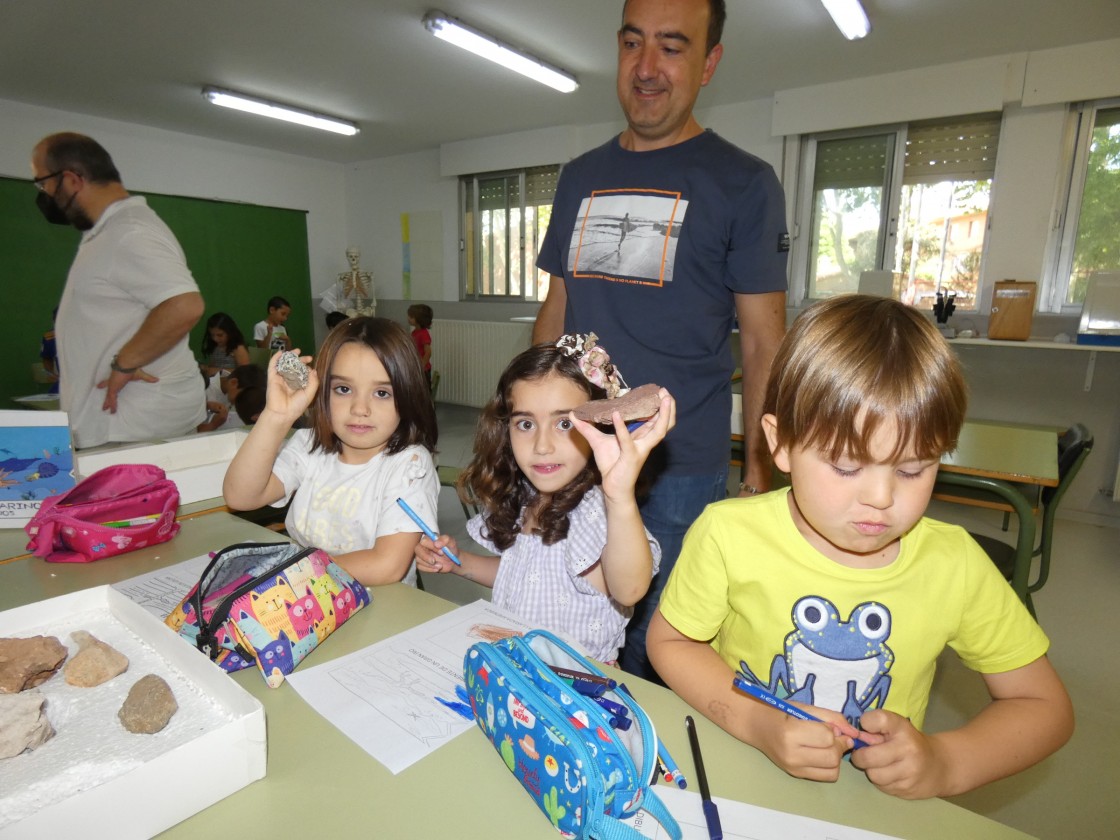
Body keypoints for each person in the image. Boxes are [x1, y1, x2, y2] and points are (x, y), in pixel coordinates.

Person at [647, 295, 1074, 800]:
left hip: (868, 804)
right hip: (733, 779)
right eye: (847, 467)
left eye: (913, 469)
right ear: (779, 443)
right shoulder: (727, 534)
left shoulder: (954, 564)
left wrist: (945, 762)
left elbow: (1045, 707)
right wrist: (759, 724)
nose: (881, 497)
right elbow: (671, 643)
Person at [532, 0, 789, 679]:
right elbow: (555, 310)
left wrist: (760, 472)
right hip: (578, 451)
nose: (647, 68)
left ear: (709, 64)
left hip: (679, 470)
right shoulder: (578, 177)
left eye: (672, 47)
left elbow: (765, 343)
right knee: (567, 621)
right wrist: (526, 425)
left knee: (657, 653)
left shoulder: (744, 184)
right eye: (632, 43)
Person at [414, 335, 675, 663]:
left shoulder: (598, 511)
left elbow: (629, 589)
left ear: (600, 424)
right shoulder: (526, 496)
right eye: (525, 424)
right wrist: (457, 563)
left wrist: (620, 497)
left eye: (564, 423)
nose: (541, 445)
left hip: (575, 688)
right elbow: (523, 577)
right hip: (519, 670)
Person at [223, 317, 439, 586]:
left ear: (407, 397)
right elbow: (241, 497)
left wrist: (292, 573)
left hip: (378, 606)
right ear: (323, 392)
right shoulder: (308, 445)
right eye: (343, 389)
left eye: (382, 393)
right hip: (306, 599)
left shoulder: (410, 465)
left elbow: (387, 565)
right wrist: (276, 416)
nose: (360, 408)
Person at [30, 132, 206, 448]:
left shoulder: (129, 232)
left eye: (44, 184)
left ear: (70, 180)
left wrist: (125, 363)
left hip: (132, 425)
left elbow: (184, 305)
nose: (44, 194)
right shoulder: (110, 232)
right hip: (118, 424)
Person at [197, 364, 265, 432]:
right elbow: (190, 432)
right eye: (242, 397)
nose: (244, 402)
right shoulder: (203, 390)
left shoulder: (230, 389)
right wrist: (213, 424)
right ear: (233, 383)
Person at [200, 312, 251, 377]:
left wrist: (218, 370)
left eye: (220, 335)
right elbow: (213, 366)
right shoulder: (216, 346)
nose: (215, 339)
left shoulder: (238, 348)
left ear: (229, 332)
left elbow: (245, 371)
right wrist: (206, 368)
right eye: (212, 335)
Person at [407, 304, 434, 390]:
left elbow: (428, 352)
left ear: (419, 319)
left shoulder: (423, 334)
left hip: (423, 371)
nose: (408, 318)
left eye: (411, 317)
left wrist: (421, 367)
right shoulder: (415, 332)